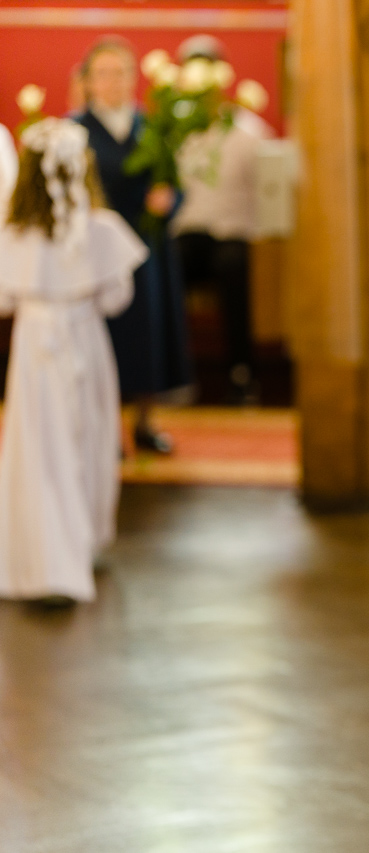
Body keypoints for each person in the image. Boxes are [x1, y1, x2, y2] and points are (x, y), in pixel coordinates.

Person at [0, 118, 147, 604]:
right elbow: (115, 299)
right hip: (84, 340)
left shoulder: (12, 234)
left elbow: (3, 302)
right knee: (89, 435)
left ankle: (40, 556)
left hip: (34, 349)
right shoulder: (101, 230)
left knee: (38, 448)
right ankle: (82, 541)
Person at [76, 37, 191, 454]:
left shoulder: (152, 127)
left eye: (121, 71)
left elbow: (176, 185)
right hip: (98, 252)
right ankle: (105, 428)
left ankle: (144, 422)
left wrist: (168, 200)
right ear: (88, 81)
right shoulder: (75, 131)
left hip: (147, 248)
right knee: (106, 338)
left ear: (134, 78)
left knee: (149, 333)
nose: (112, 81)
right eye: (103, 73)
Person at [171, 34, 272, 404]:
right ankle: (177, 376)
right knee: (168, 267)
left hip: (232, 233)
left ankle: (241, 374)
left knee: (233, 265)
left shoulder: (247, 128)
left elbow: (269, 187)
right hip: (188, 233)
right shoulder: (172, 128)